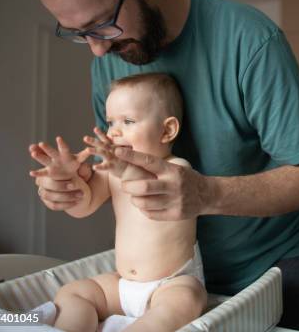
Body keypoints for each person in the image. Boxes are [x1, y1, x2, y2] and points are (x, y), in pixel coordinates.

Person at [20, 0, 299, 330]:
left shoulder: (250, 40)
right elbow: (111, 173)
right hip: (150, 281)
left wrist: (206, 193)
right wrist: (73, 187)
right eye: (78, 34)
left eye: (101, 25)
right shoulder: (108, 61)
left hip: (267, 270)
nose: (96, 48)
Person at [29, 73, 206, 332]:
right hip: (123, 284)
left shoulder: (177, 170)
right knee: (72, 293)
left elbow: (148, 189)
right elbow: (83, 205)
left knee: (188, 300)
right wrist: (70, 181)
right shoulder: (111, 172)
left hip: (171, 283)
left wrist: (121, 168)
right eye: (111, 122)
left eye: (128, 121)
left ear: (167, 130)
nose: (115, 131)